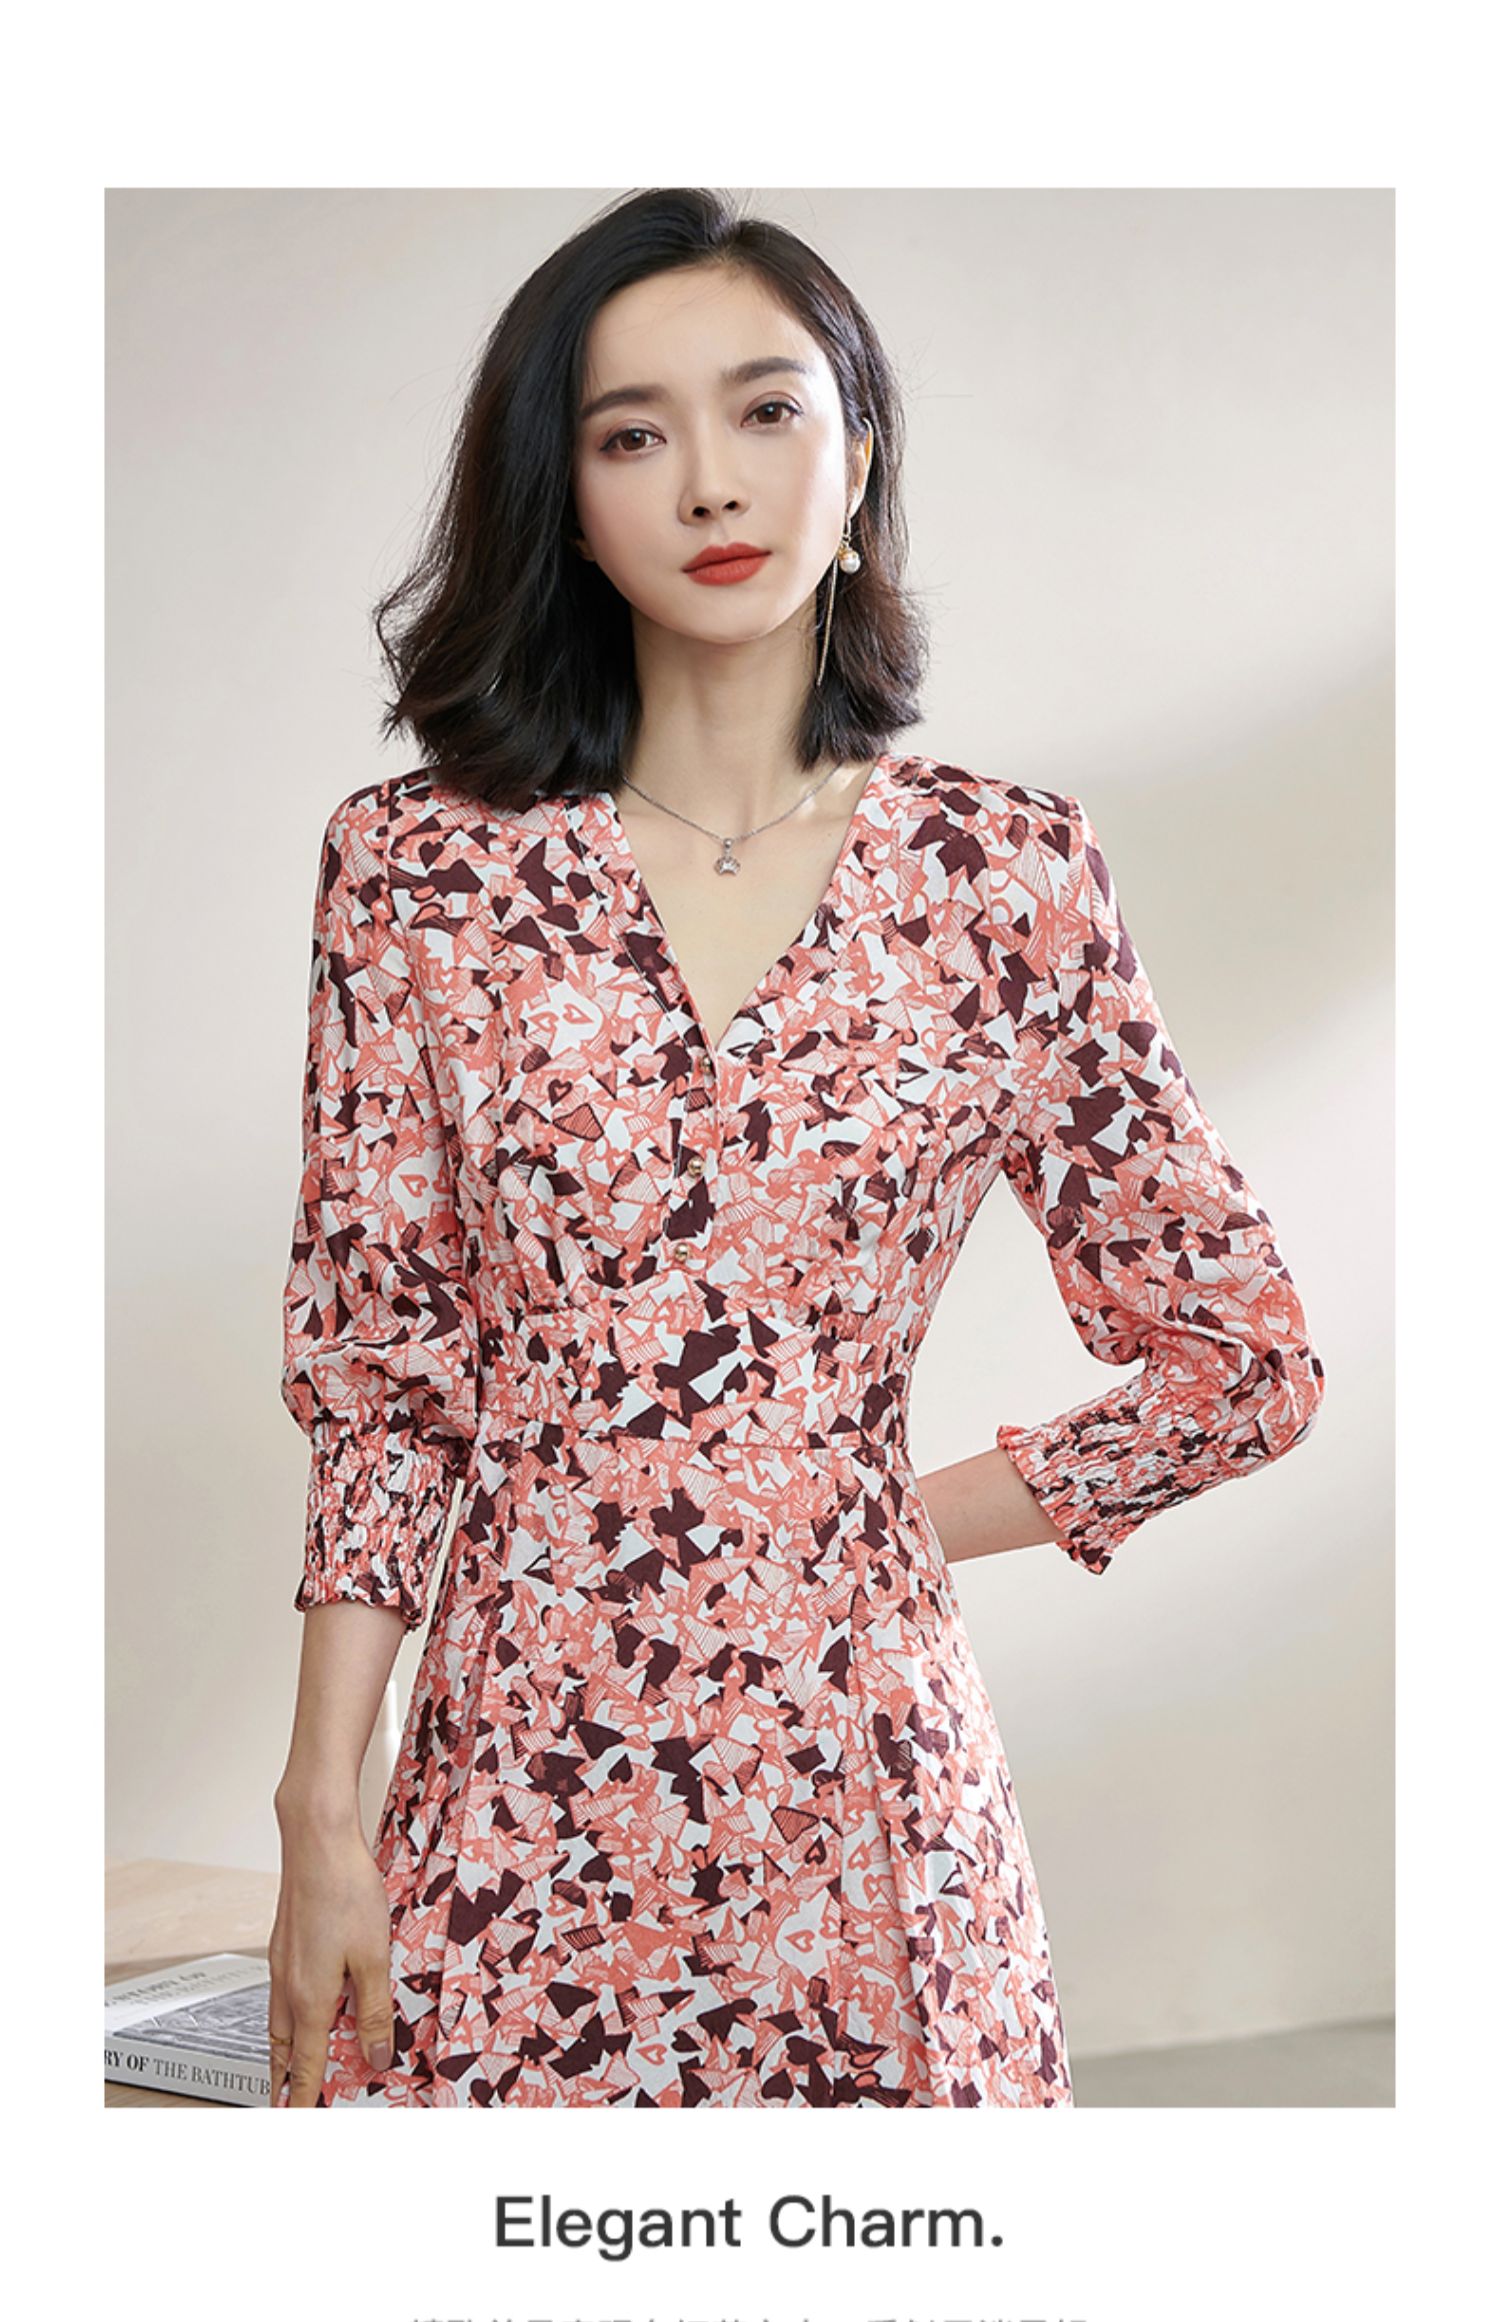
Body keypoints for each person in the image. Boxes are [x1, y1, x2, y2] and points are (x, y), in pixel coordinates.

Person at [268, 188, 1325, 2109]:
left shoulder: (1001, 875)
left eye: (766, 409)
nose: (708, 481)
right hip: (514, 1787)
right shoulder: (416, 874)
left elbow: (1243, 1360)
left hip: (870, 1796)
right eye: (631, 434)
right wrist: (317, 1810)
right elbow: (387, 1386)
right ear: (566, 500)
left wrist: (865, 1521)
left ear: (862, 450)